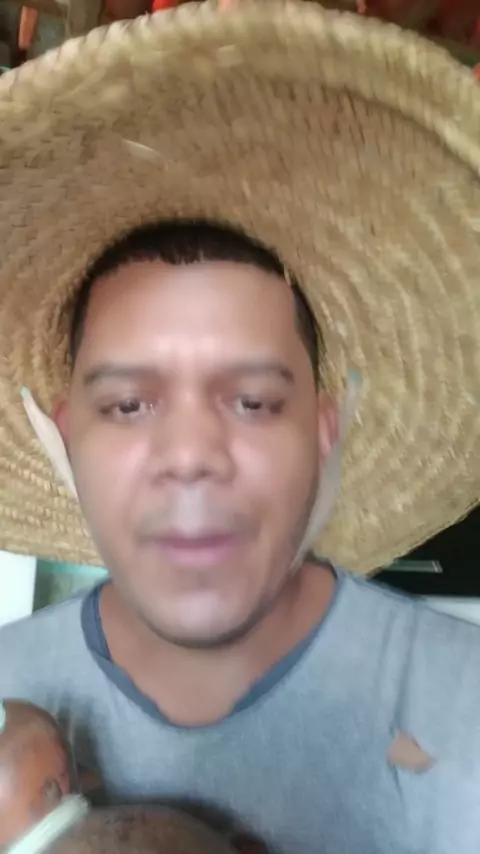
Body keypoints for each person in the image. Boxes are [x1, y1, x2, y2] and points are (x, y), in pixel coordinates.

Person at [0, 2, 479, 852]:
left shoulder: (462, 709)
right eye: (128, 404)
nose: (190, 456)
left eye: (253, 401)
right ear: (68, 437)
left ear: (325, 434)